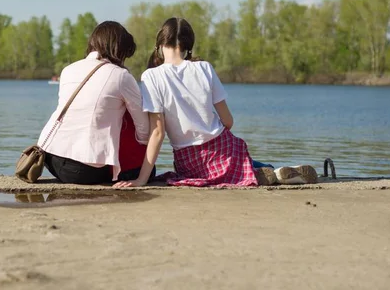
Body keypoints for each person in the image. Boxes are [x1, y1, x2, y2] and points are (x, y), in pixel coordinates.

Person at [113, 17, 318, 188]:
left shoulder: (151, 76)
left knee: (228, 169)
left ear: (159, 46)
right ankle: (272, 170)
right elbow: (228, 121)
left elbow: (157, 133)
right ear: (188, 47)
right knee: (244, 161)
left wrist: (141, 179)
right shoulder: (204, 68)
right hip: (223, 147)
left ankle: (265, 172)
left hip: (190, 160)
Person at [38, 21, 151, 185]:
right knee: (145, 168)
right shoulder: (121, 76)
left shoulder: (68, 70)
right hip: (84, 170)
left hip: (50, 158)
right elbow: (144, 130)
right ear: (119, 50)